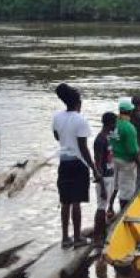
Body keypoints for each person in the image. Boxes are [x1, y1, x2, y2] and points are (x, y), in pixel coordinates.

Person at [52, 83, 100, 249]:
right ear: (78, 103)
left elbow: (57, 137)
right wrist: (94, 168)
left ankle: (65, 238)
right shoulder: (81, 120)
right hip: (79, 164)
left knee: (65, 202)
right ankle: (78, 237)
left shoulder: (57, 118)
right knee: (76, 203)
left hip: (64, 162)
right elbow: (83, 147)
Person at [109, 98, 140, 212]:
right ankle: (124, 213)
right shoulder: (129, 128)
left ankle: (110, 208)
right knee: (126, 191)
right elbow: (133, 151)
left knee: (115, 186)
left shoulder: (113, 123)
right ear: (130, 112)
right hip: (126, 162)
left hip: (113, 160)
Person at [93, 112, 117, 248]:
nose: (116, 126)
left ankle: (102, 233)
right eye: (115, 124)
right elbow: (97, 164)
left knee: (104, 207)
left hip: (110, 175)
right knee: (101, 208)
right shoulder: (100, 140)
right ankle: (97, 237)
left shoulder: (109, 136)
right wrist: (101, 185)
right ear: (110, 124)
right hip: (104, 178)